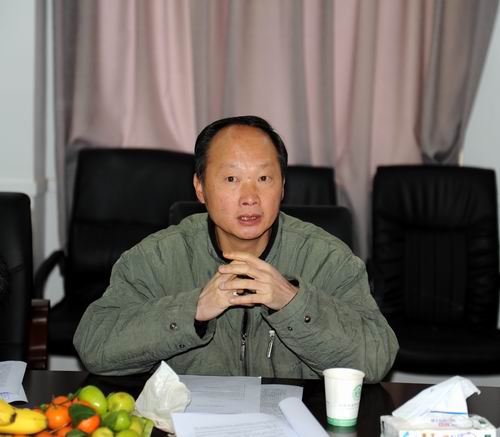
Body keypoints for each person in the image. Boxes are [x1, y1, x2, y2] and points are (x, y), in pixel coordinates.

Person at [74, 115, 398, 382]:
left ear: (283, 186)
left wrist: (292, 302)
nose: (250, 198)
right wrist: (192, 311)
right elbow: (94, 344)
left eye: (264, 179)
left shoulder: (327, 258)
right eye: (231, 179)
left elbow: (377, 357)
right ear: (200, 187)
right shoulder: (158, 257)